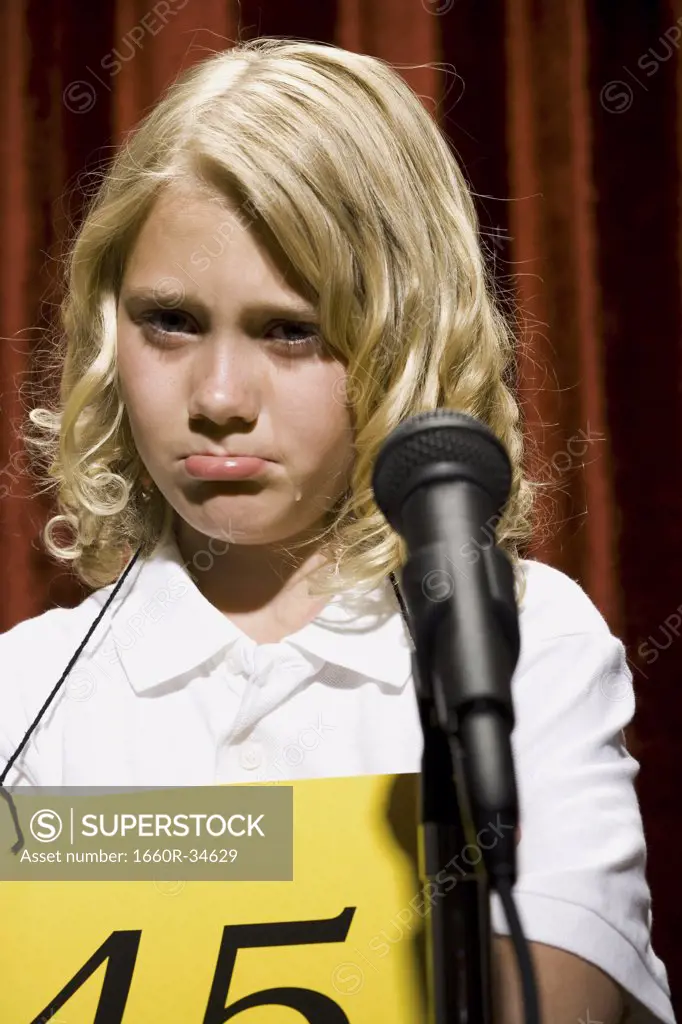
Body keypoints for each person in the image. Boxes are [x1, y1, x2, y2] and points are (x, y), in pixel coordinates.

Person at [0, 37, 675, 1024]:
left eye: (290, 329)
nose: (220, 397)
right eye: (171, 321)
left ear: (404, 334)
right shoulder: (20, 693)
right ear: (108, 326)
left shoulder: (519, 645)